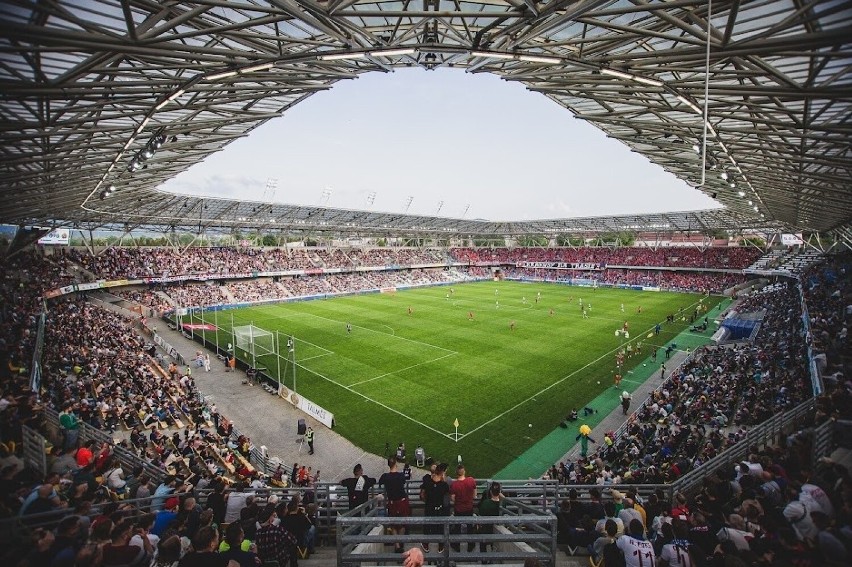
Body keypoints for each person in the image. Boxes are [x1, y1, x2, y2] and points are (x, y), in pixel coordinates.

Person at [379, 457, 410, 554]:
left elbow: (380, 482)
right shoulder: (400, 476)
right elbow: (404, 481)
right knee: (402, 524)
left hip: (392, 503)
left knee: (393, 524)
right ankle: (400, 544)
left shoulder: (385, 476)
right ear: (395, 464)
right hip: (401, 502)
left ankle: (397, 545)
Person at [420, 462, 450, 553]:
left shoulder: (427, 482)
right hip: (439, 509)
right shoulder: (444, 485)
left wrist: (427, 501)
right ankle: (440, 545)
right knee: (440, 527)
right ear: (442, 473)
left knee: (427, 526)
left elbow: (422, 495)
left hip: (429, 507)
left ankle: (426, 543)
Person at [449, 464, 477, 552]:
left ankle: (457, 546)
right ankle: (470, 546)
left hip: (458, 509)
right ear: (464, 471)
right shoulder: (471, 480)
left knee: (457, 528)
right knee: (470, 528)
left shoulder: (454, 484)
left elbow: (453, 498)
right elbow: (475, 495)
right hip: (469, 508)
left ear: (456, 473)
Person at [477, 481, 502, 554]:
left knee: (483, 543)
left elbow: (480, 515)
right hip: (497, 528)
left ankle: (484, 560)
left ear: (491, 491)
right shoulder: (502, 503)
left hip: (486, 529)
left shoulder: (486, 503)